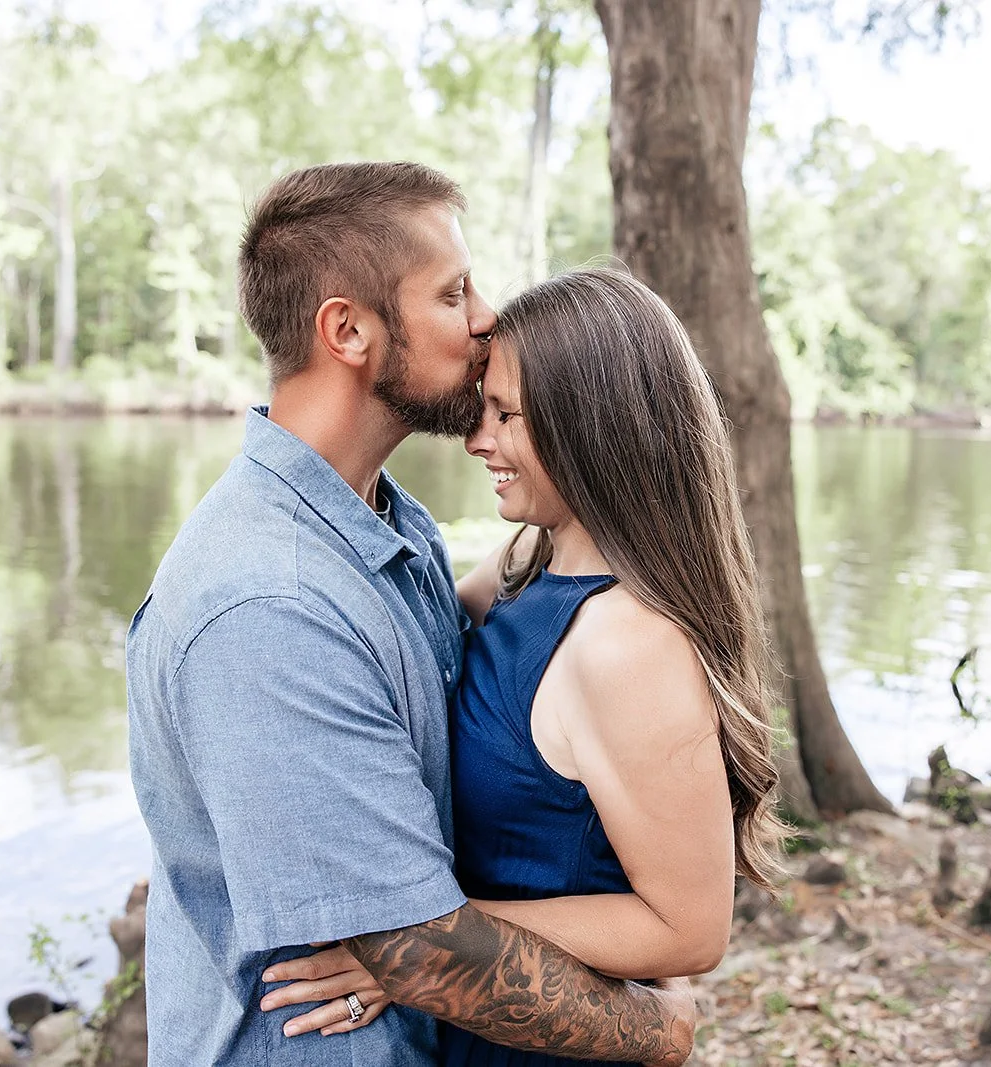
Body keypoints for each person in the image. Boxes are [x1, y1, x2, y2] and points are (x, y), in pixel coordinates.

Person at [125, 164, 695, 1066]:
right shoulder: (270, 606)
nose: (486, 317)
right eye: (453, 292)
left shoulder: (387, 527)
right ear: (347, 330)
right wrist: (661, 1029)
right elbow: (416, 949)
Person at [262, 266, 789, 1066]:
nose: (478, 439)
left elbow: (690, 928)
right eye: (484, 408)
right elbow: (396, 635)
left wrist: (426, 948)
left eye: (505, 414)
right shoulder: (527, 559)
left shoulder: (627, 644)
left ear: (593, 424)